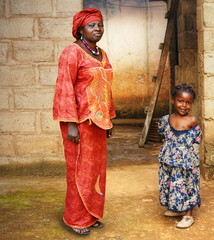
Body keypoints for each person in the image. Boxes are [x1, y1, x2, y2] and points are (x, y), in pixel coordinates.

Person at [53, 8, 115, 235]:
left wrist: (109, 118)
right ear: (80, 30)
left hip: (99, 123)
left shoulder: (102, 53)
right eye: (92, 25)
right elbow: (64, 88)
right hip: (79, 124)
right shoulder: (72, 52)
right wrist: (70, 123)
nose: (97, 29)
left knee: (95, 171)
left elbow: (106, 88)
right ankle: (76, 218)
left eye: (100, 25)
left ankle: (90, 215)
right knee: (79, 171)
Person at [158, 84, 202, 228]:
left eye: (188, 102)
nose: (184, 105)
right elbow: (162, 135)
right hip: (170, 163)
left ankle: (188, 215)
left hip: (186, 164)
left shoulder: (192, 121)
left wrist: (191, 157)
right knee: (172, 185)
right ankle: (178, 209)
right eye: (180, 101)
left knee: (187, 186)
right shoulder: (166, 120)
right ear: (173, 100)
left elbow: (197, 138)